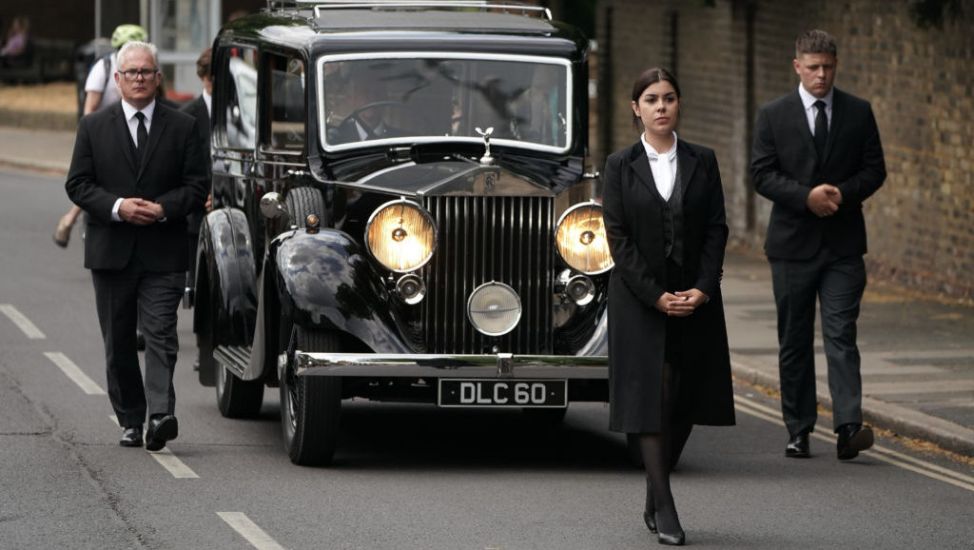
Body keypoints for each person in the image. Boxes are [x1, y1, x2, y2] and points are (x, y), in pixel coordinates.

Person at [602, 67, 735, 546]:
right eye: (652, 99)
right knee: (654, 399)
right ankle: (667, 504)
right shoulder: (619, 165)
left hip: (694, 297)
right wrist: (654, 295)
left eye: (670, 98)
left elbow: (717, 229)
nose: (662, 107)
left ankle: (652, 491)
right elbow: (617, 238)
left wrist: (703, 287)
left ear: (679, 105)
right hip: (640, 300)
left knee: (684, 400)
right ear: (636, 108)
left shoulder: (704, 160)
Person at [65, 41, 207, 451]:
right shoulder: (93, 127)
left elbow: (198, 186)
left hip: (164, 251)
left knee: (162, 333)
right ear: (118, 79)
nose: (139, 78)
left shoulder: (182, 126)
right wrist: (118, 207)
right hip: (112, 253)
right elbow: (77, 184)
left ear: (158, 78)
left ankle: (160, 415)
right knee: (119, 340)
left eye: (146, 72)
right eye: (131, 73)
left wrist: (163, 209)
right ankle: (130, 417)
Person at [751, 30, 886, 461]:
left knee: (841, 334)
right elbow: (761, 174)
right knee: (793, 340)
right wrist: (805, 197)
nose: (821, 75)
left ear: (835, 64)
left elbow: (874, 169)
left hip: (844, 247)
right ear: (797, 66)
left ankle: (848, 427)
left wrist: (842, 194)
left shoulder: (859, 112)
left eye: (828, 66)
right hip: (792, 246)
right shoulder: (773, 115)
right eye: (813, 67)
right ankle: (799, 428)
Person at [54, 24, 148, 248]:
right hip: (106, 134)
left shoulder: (144, 69)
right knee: (98, 180)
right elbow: (90, 108)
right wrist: (96, 138)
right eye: (127, 47)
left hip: (134, 132)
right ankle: (72, 220)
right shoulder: (103, 68)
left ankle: (71, 218)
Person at [179, 48, 213, 314]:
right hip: (199, 205)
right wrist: (203, 194)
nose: (214, 83)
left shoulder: (242, 110)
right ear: (203, 78)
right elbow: (185, 164)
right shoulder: (189, 114)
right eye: (210, 77)